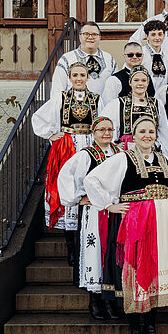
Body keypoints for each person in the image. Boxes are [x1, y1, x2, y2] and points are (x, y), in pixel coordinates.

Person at [84, 116, 168, 334]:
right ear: (134, 135)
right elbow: (92, 179)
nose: (147, 136)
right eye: (142, 132)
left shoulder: (165, 160)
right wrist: (108, 205)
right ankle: (136, 332)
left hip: (162, 225)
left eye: (151, 132)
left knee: (157, 277)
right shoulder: (123, 158)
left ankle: (150, 330)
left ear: (156, 135)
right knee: (136, 275)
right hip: (136, 226)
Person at [32, 62, 100, 268]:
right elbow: (38, 117)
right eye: (75, 75)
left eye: (82, 75)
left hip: (89, 146)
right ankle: (71, 248)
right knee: (68, 191)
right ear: (69, 78)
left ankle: (87, 244)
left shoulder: (96, 99)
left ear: (87, 77)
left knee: (88, 189)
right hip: (67, 147)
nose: (79, 78)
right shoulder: (61, 98)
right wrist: (51, 135)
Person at [57, 116, 122, 320]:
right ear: (93, 133)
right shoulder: (86, 155)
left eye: (110, 129)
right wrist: (77, 198)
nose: (106, 133)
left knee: (112, 252)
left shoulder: (120, 154)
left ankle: (110, 299)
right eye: (102, 129)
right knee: (95, 251)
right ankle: (95, 300)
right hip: (94, 212)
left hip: (115, 211)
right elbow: (66, 175)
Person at [99, 66, 168, 147]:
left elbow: (164, 133)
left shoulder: (156, 104)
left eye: (143, 80)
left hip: (149, 149)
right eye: (136, 80)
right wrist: (114, 146)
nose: (140, 83)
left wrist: (159, 147)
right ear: (130, 82)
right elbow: (104, 125)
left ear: (148, 83)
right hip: (127, 150)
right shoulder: (118, 103)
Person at [52, 21, 118, 97]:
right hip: (74, 104)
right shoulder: (67, 59)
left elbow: (116, 87)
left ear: (100, 37)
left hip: (104, 104)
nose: (90, 37)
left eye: (94, 34)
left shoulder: (109, 60)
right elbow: (57, 89)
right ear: (80, 36)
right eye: (86, 34)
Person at [101, 41, 155, 106]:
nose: (135, 57)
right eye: (130, 55)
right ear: (124, 57)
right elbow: (108, 105)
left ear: (142, 56)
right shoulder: (114, 80)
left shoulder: (147, 77)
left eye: (138, 55)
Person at [140, 19, 168, 95]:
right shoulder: (140, 54)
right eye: (153, 35)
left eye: (160, 34)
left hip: (162, 97)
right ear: (146, 36)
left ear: (164, 35)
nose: (157, 38)